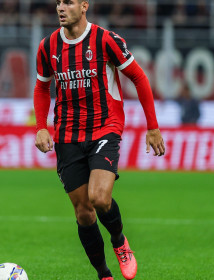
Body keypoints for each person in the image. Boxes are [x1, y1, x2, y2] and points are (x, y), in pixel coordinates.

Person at [32, 1, 166, 280]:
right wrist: (41, 127)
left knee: (100, 198)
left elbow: (139, 78)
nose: (60, 7)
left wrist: (152, 127)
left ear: (84, 6)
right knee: (84, 213)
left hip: (105, 127)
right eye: (58, 2)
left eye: (68, 2)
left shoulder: (106, 40)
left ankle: (119, 242)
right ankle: (104, 274)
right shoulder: (47, 47)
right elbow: (42, 87)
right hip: (67, 135)